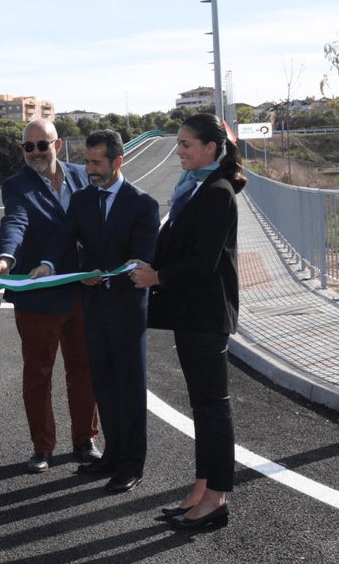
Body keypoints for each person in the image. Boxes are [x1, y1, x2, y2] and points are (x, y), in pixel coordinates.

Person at [130, 113, 246, 531]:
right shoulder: (195, 187)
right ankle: (201, 490)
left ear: (211, 148)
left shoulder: (217, 192)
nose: (178, 151)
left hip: (207, 315)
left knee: (213, 409)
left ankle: (216, 500)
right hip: (193, 314)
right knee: (202, 406)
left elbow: (203, 263)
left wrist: (157, 277)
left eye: (185, 144)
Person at [31, 130, 159, 494]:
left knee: (130, 389)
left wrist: (104, 275)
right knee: (103, 384)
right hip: (93, 309)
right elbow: (64, 238)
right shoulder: (82, 200)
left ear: (118, 161)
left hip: (126, 310)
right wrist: (48, 264)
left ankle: (132, 463)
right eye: (86, 162)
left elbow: (141, 258)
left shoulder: (143, 204)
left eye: (96, 163)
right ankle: (112, 456)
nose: (89, 170)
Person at [0, 118, 100, 473]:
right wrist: (6, 258)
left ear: (59, 144)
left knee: (83, 370)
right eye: (28, 146)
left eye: (42, 145)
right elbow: (15, 222)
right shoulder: (16, 185)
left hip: (81, 291)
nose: (35, 152)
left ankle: (85, 440)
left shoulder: (82, 175)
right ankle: (42, 447)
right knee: (38, 374)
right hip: (37, 296)